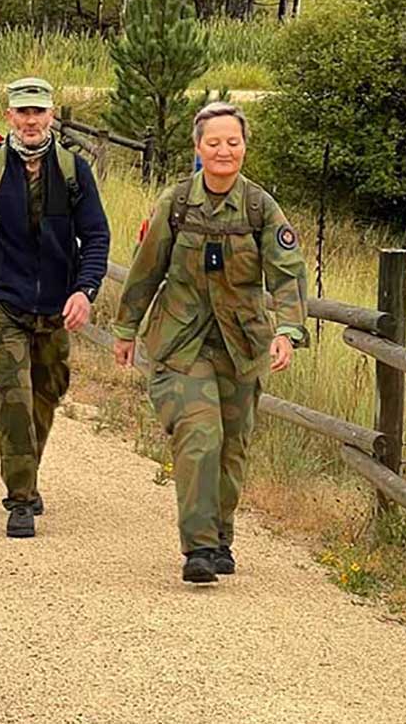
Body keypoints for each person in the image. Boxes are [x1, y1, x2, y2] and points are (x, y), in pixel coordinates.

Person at [112, 102, 307, 583]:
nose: (224, 151)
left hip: (242, 346)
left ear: (245, 147)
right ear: (198, 148)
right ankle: (198, 548)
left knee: (232, 446)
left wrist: (287, 330)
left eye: (233, 142)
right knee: (201, 437)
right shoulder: (176, 204)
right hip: (181, 342)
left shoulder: (261, 208)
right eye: (214, 142)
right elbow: (146, 268)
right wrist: (125, 328)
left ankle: (219, 534)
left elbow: (287, 275)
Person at [0, 77, 111, 538]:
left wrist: (84, 290)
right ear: (9, 115)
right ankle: (20, 498)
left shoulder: (74, 170)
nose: (31, 121)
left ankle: (26, 474)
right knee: (13, 396)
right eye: (22, 112)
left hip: (56, 305)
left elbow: (96, 237)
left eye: (38, 112)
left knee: (46, 393)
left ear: (51, 115)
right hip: (3, 301)